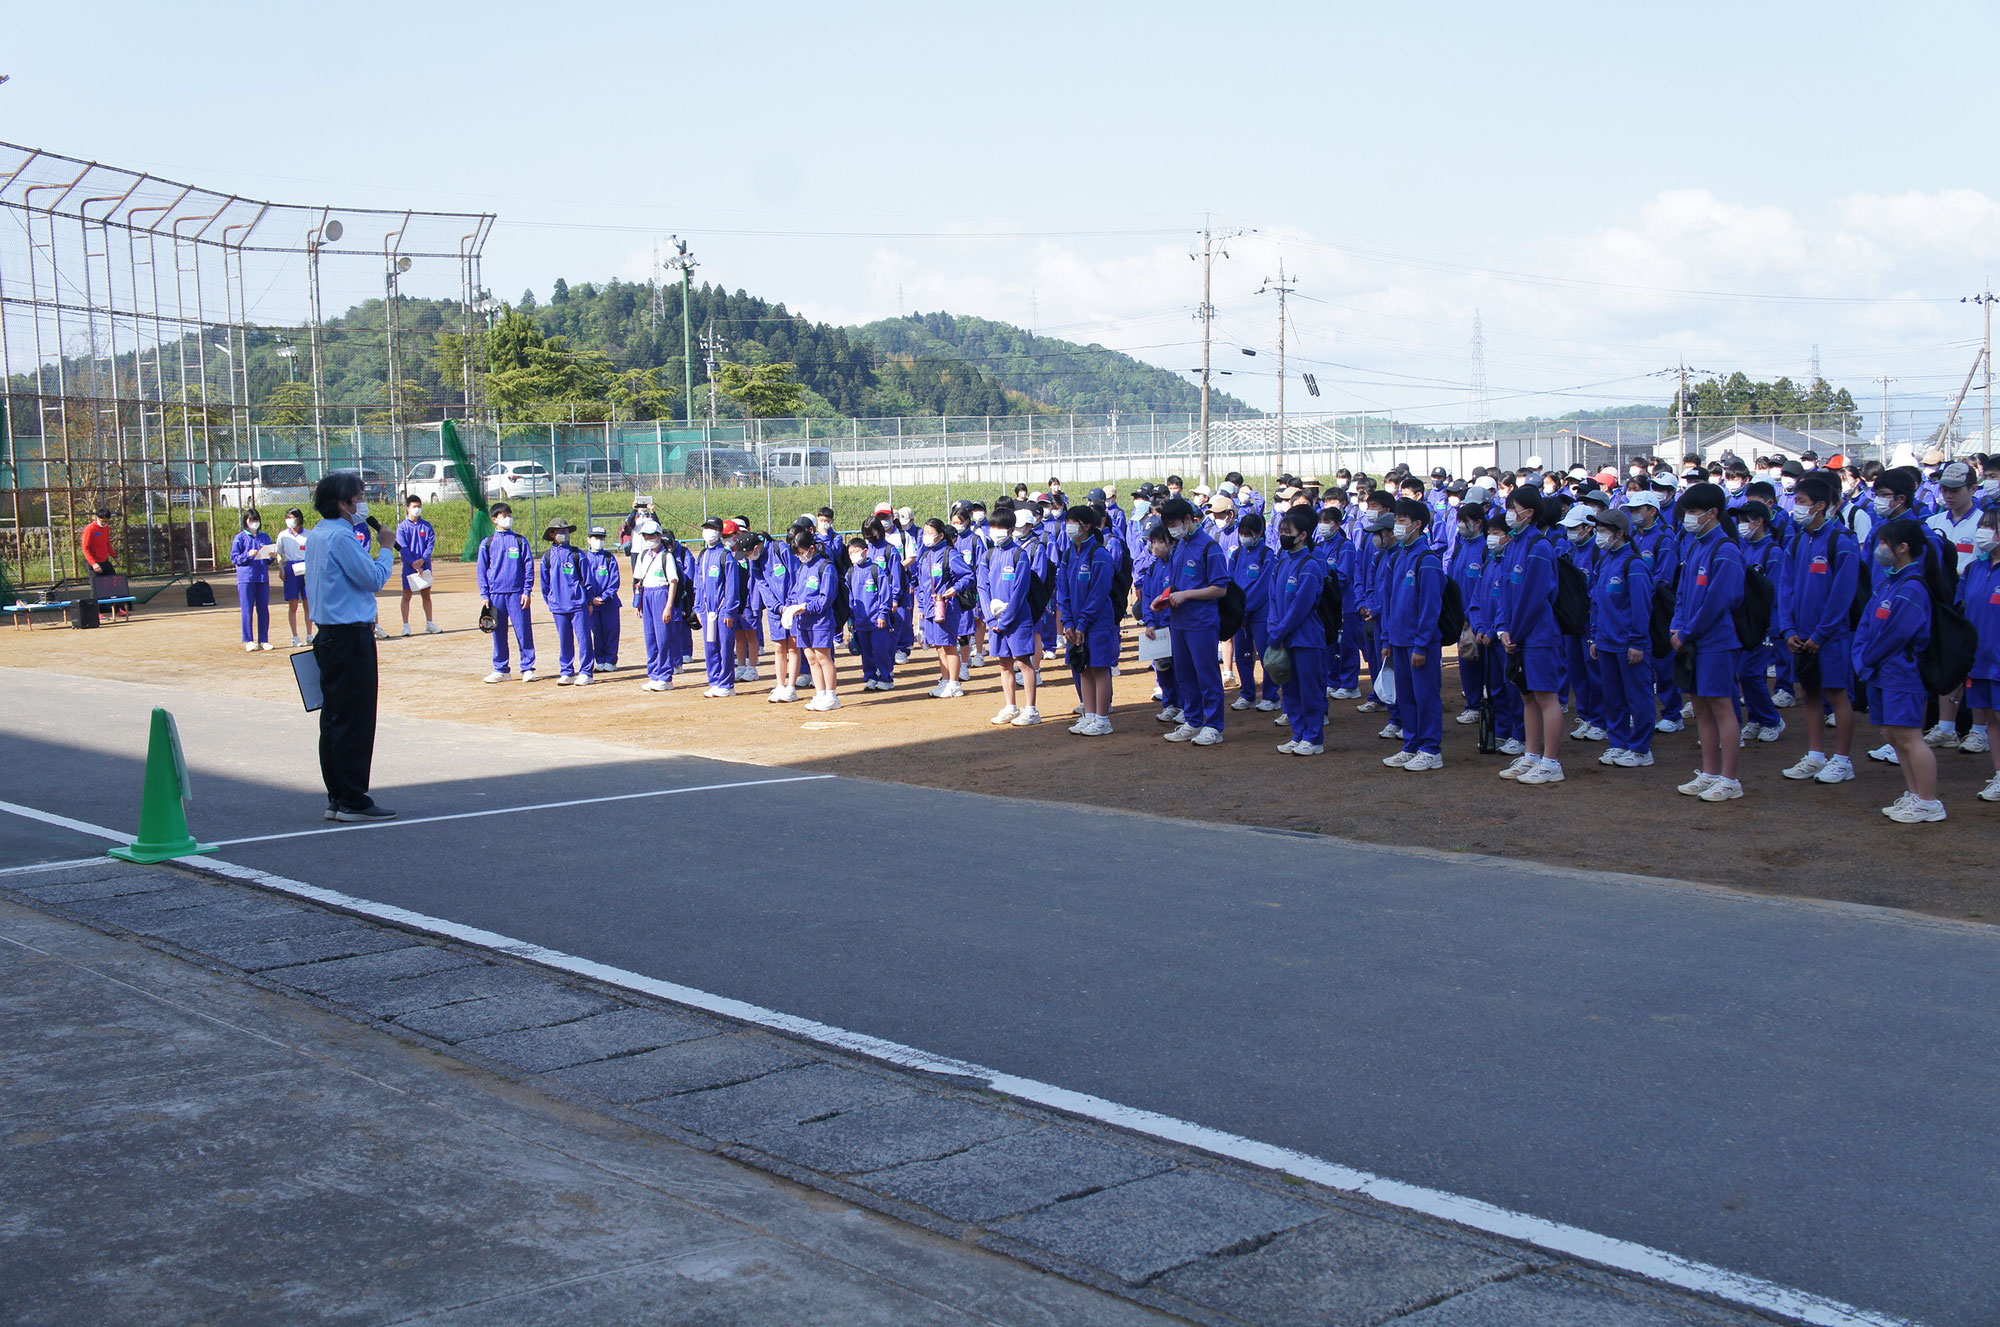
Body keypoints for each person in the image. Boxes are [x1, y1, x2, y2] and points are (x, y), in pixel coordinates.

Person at [304, 470, 395, 822]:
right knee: (354, 717)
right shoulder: (341, 537)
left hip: (330, 633)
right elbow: (372, 578)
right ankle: (353, 797)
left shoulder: (318, 535)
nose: (363, 502)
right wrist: (385, 548)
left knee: (335, 718)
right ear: (342, 503)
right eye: (359, 497)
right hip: (348, 635)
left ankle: (337, 795)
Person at [1856, 518, 1944, 822]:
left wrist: (1867, 658)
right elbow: (1868, 623)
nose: (1879, 549)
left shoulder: (1912, 587)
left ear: (1902, 548)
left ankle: (1929, 801)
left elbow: (1898, 633)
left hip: (1902, 673)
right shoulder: (1890, 582)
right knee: (1893, 735)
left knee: (1909, 736)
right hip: (1882, 671)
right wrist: (1862, 657)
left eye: (1884, 543)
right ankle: (1915, 793)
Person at [1670, 483, 1749, 802]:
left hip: (1715, 642)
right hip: (1691, 640)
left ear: (1712, 513)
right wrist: (1676, 627)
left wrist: (1686, 633)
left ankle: (1729, 779)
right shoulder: (1693, 545)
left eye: (1693, 512)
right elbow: (1683, 593)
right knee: (1701, 707)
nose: (1688, 518)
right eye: (1686, 512)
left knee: (1721, 707)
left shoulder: (1726, 549)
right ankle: (1710, 772)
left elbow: (1719, 602)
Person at [1494, 488, 1564, 784]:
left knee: (1547, 697)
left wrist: (1517, 633)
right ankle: (1532, 754)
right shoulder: (1513, 545)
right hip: (1519, 635)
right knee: (1528, 697)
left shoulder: (1539, 546)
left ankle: (1551, 762)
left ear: (1530, 513)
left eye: (1515, 507)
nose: (1511, 513)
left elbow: (1535, 597)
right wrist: (1503, 628)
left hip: (1538, 636)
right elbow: (1503, 591)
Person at [1585, 506, 1656, 768]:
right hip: (1606, 643)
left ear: (1620, 534)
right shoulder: (1605, 561)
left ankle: (1640, 748)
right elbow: (1596, 602)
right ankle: (1619, 742)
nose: (1599, 535)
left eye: (1603, 531)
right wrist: (1595, 637)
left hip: (1628, 644)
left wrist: (1637, 642)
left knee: (1637, 697)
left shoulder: (1633, 564)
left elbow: (1641, 606)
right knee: (1612, 697)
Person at [1158, 496, 1230, 746]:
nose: (1172, 530)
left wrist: (1187, 595)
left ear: (1189, 519)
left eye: (1175, 523)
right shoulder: (1179, 547)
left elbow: (1220, 589)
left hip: (1202, 622)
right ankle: (1193, 720)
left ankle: (1214, 725)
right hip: (1179, 622)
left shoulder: (1210, 547)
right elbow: (1177, 584)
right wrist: (1165, 598)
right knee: (1185, 676)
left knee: (1207, 675)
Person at [1381, 498, 1446, 771]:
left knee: (1426, 695)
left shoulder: (1427, 560)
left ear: (1417, 525)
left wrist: (1421, 645)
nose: (1397, 526)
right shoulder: (1398, 557)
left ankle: (1431, 749)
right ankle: (1411, 744)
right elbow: (1390, 600)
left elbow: (1430, 607)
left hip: (1420, 643)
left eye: (1402, 521)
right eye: (1396, 520)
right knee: (1405, 696)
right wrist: (1387, 639)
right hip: (1398, 640)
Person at [1268, 507, 1330, 754]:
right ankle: (1299, 733)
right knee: (1290, 690)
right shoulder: (1281, 562)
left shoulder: (1310, 565)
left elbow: (1301, 606)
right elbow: (1273, 599)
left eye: (1288, 532)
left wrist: (1280, 632)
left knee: (1310, 690)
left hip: (1306, 638)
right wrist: (1274, 629)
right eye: (1281, 531)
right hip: (1283, 638)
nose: (1283, 535)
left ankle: (1314, 738)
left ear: (1303, 535)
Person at [1059, 504, 1119, 734]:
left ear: (1088, 526)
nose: (1070, 525)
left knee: (1099, 668)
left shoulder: (1099, 554)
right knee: (1082, 667)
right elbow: (1063, 590)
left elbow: (1099, 592)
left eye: (1075, 521)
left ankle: (1103, 720)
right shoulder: (1068, 553)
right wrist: (1068, 622)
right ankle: (1090, 715)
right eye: (1069, 520)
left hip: (1098, 623)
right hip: (1075, 624)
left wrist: (1083, 623)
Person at [979, 507, 1042, 726]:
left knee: (1023, 662)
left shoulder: (1019, 554)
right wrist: (990, 618)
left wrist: (1005, 620)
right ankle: (1010, 706)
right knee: (1004, 664)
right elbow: (982, 587)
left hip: (1017, 620)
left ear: (1010, 529)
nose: (996, 531)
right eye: (993, 527)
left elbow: (1020, 591)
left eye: (1001, 527)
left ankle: (1032, 709)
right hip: (994, 622)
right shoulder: (988, 554)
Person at [1732, 500, 1786, 745]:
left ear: (1759, 521)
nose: (1741, 525)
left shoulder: (1772, 552)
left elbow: (1774, 592)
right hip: (1746, 621)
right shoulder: (1745, 548)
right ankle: (1755, 717)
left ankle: (1772, 719)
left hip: (1762, 623)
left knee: (1751, 673)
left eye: (1745, 520)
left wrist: (1771, 625)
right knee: (1745, 674)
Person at [1956, 506, 2000, 800]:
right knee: (1990, 720)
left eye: (1991, 525)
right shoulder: (1973, 568)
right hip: (1979, 661)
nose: (1983, 530)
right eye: (1982, 524)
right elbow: (1960, 609)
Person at [781, 525, 841, 710]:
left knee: (823, 658)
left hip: (820, 621)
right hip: (802, 621)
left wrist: (806, 607)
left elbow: (825, 599)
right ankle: (820, 693)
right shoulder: (802, 568)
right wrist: (790, 606)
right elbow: (795, 591)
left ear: (811, 548)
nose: (800, 556)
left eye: (802, 552)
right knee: (811, 658)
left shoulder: (826, 567)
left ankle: (832, 695)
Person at [476, 502, 537, 683]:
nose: (507, 519)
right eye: (503, 516)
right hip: (496, 595)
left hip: (517, 594)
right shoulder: (487, 543)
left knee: (523, 631)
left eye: (509, 515)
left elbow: (528, 567)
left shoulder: (520, 541)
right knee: (498, 632)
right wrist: (485, 595)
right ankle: (501, 669)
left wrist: (527, 591)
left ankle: (528, 668)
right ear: (495, 520)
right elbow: (482, 571)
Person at [913, 518, 971, 699]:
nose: (927, 537)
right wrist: (922, 606)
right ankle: (945, 681)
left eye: (931, 533)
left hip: (947, 607)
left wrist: (955, 589)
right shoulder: (925, 556)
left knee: (949, 645)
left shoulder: (950, 554)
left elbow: (968, 576)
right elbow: (920, 584)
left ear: (940, 535)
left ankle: (954, 683)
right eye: (925, 533)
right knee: (939, 646)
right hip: (931, 608)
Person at [1228, 511, 1280, 713]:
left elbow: (1264, 586)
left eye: (1248, 533)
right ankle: (1247, 693)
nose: (1244, 537)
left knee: (1267, 654)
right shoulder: (1237, 554)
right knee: (1242, 654)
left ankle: (1270, 695)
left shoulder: (1268, 555)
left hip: (1260, 612)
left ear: (1259, 533)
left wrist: (1247, 609)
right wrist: (1236, 610)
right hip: (1240, 614)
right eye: (1242, 532)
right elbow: (1230, 583)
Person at [693, 517, 744, 698]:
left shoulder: (726, 556)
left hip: (723, 609)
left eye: (712, 528)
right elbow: (698, 584)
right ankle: (714, 680)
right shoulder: (702, 555)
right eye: (706, 528)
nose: (709, 532)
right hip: (707, 610)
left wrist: (730, 610)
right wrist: (698, 607)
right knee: (710, 646)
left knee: (725, 646)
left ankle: (727, 683)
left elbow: (731, 586)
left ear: (719, 532)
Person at [539, 518, 593, 684]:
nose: (563, 534)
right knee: (565, 639)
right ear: (552, 534)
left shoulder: (577, 555)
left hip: (578, 604)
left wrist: (588, 601)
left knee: (584, 638)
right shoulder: (547, 557)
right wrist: (552, 601)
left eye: (566, 531)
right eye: (559, 531)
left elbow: (588, 580)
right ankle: (567, 672)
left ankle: (586, 672)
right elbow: (544, 584)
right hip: (558, 605)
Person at [845, 532, 899, 692]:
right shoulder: (851, 573)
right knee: (866, 652)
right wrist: (851, 618)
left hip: (877, 621)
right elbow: (850, 597)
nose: (852, 556)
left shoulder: (876, 570)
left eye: (855, 551)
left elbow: (885, 595)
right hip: (861, 622)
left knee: (880, 650)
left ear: (865, 551)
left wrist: (883, 614)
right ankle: (870, 677)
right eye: (850, 553)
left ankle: (886, 678)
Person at [631, 518, 680, 692]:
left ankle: (665, 676)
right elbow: (639, 580)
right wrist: (639, 602)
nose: (649, 539)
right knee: (650, 637)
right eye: (646, 536)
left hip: (661, 593)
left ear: (660, 536)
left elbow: (673, 582)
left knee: (663, 637)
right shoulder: (643, 555)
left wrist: (668, 606)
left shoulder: (667, 557)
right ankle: (654, 674)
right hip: (647, 594)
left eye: (652, 536)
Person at [230, 508, 280, 651]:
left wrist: (271, 556)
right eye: (251, 520)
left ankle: (264, 640)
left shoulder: (264, 537)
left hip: (262, 577)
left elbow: (269, 560)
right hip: (246, 578)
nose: (254, 523)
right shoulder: (240, 537)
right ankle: (249, 640)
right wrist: (247, 554)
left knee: (263, 609)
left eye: (256, 520)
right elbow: (235, 558)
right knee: (247, 609)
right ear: (246, 521)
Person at [395, 495, 441, 636]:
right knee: (407, 595)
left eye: (419, 506)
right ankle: (406, 626)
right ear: (407, 508)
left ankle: (429, 624)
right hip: (409, 566)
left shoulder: (426, 526)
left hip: (425, 565)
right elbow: (403, 548)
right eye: (414, 506)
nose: (417, 509)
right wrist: (414, 563)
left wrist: (423, 560)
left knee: (426, 595)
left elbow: (430, 545)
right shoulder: (402, 528)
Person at [581, 525, 623, 673]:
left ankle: (611, 660)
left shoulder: (609, 558)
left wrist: (605, 597)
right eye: (595, 538)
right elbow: (581, 581)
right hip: (591, 604)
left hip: (609, 604)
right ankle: (600, 660)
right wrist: (590, 599)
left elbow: (615, 581)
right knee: (596, 633)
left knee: (611, 631)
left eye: (601, 538)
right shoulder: (583, 558)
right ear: (589, 539)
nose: (598, 541)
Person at [277, 507, 311, 647]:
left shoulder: (309, 534)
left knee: (308, 603)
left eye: (292, 517)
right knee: (293, 604)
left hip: (306, 569)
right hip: (291, 569)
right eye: (287, 518)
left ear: (299, 518)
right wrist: (281, 568)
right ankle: (295, 636)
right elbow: (279, 553)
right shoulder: (283, 535)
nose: (290, 521)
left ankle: (309, 635)